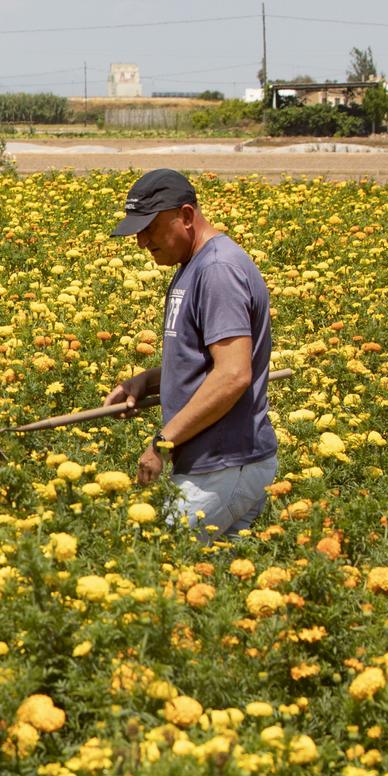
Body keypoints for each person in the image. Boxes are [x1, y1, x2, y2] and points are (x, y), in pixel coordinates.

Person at [102, 169, 277, 541]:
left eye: (150, 227)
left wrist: (162, 443)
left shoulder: (217, 271)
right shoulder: (194, 265)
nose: (141, 241)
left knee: (159, 560)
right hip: (216, 466)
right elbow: (205, 361)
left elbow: (232, 375)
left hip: (224, 468)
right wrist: (148, 381)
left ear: (185, 215)